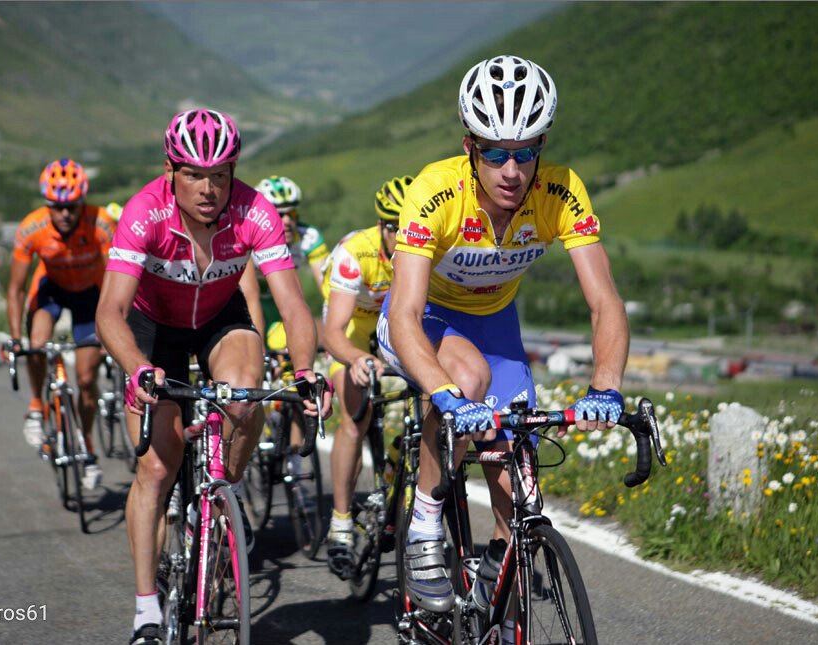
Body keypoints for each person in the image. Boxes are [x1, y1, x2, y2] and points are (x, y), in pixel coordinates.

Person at [378, 55, 630, 623]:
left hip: (495, 325)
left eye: (526, 150)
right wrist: (444, 395)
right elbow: (407, 310)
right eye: (495, 151)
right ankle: (422, 525)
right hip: (425, 321)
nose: (512, 169)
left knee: (520, 491)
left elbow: (604, 300)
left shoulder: (563, 191)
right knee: (466, 381)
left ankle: (493, 569)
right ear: (470, 146)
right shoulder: (436, 192)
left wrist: (607, 386)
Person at [93, 109, 332, 645]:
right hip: (153, 329)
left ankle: (220, 499)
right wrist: (138, 371)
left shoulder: (255, 211)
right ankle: (146, 610)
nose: (208, 189)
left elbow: (293, 306)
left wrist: (304, 371)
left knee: (247, 401)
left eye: (220, 175)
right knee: (157, 467)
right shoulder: (143, 213)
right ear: (170, 170)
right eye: (195, 175)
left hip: (219, 320)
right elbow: (109, 312)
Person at [322, 175, 412, 579]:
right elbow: (332, 332)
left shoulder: (426, 248)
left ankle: (400, 465)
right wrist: (357, 359)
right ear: (383, 227)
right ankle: (341, 522)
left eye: (411, 226)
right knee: (354, 414)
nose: (405, 236)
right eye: (397, 229)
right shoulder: (353, 254)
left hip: (397, 321)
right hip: (355, 325)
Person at [6, 158, 115, 493]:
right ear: (47, 204)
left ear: (82, 202)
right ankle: (37, 408)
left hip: (90, 295)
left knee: (85, 379)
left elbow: (119, 276)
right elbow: (16, 289)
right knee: (36, 343)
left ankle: (87, 447)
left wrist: (118, 324)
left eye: (72, 206)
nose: (65, 213)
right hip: (50, 289)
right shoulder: (31, 228)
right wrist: (14, 339)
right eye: (57, 206)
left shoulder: (101, 224)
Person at [239, 174, 329, 352]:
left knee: (288, 344)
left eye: (292, 213)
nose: (287, 221)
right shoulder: (248, 237)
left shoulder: (309, 237)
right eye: (279, 214)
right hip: (245, 302)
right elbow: (250, 295)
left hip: (278, 302)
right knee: (249, 351)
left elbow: (329, 289)